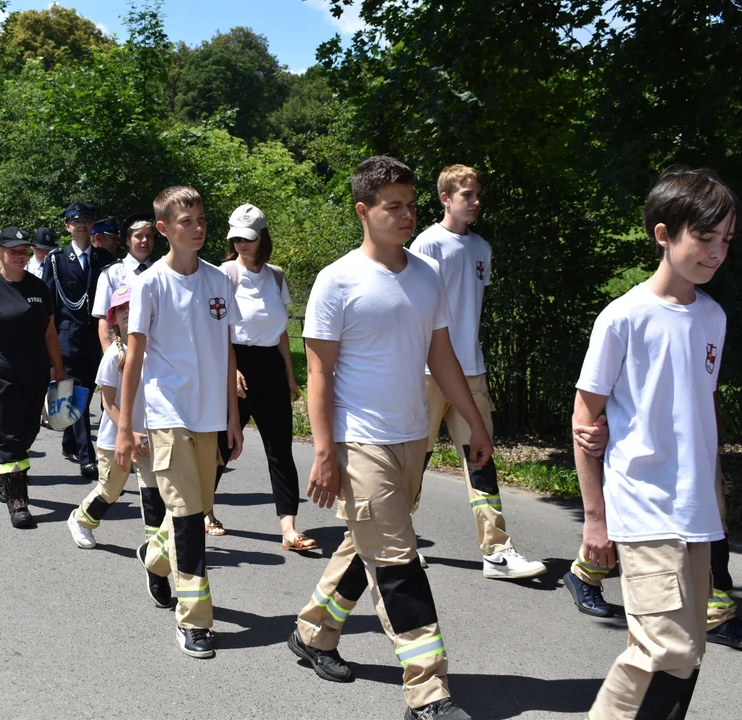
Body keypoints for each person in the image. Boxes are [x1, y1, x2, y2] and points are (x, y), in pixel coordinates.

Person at [288, 157, 486, 720]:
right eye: (392, 206)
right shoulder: (338, 280)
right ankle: (428, 691)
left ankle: (312, 631)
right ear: (363, 211)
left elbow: (441, 355)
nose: (405, 215)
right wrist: (325, 452)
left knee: (365, 543)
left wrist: (471, 422)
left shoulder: (426, 275)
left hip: (412, 439)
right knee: (399, 560)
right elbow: (318, 375)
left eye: (410, 204)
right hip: (359, 442)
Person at [571, 166, 742, 718]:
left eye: (726, 240)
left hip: (696, 513)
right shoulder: (623, 317)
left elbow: (700, 410)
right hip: (644, 507)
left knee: (684, 656)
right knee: (666, 648)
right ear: (664, 234)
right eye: (705, 238)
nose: (716, 252)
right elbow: (584, 420)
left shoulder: (713, 317)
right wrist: (595, 521)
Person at [116, 186, 244, 659]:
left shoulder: (218, 280)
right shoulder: (150, 282)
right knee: (189, 519)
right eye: (187, 220)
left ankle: (153, 557)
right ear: (164, 229)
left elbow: (227, 348)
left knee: (196, 508)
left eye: (202, 218)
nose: (199, 226)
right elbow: (135, 356)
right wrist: (127, 426)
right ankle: (195, 621)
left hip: (210, 414)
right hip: (167, 412)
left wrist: (233, 416)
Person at [410, 164, 545, 579]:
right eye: (467, 194)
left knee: (481, 461)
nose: (476, 201)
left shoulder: (482, 249)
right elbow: (415, 310)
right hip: (429, 374)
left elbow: (473, 313)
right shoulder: (426, 245)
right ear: (445, 198)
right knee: (414, 459)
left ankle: (497, 551)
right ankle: (396, 538)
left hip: (472, 373)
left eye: (477, 194)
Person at [207, 203, 314, 550]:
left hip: (270, 366)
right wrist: (231, 369)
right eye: (235, 238)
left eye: (248, 238)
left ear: (262, 237)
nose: (241, 244)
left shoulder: (277, 275)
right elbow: (216, 328)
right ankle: (205, 510)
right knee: (224, 445)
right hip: (235, 362)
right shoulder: (224, 274)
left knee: (281, 450)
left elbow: (281, 330)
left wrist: (289, 374)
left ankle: (289, 528)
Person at [0, 226, 66, 527]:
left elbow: (49, 332)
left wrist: (59, 369)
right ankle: (18, 499)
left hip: (33, 372)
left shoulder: (38, 288)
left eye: (24, 250)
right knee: (8, 435)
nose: (20, 255)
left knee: (29, 430)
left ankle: (2, 473)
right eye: (13, 250)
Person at [68, 284, 165, 553]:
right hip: (115, 439)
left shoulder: (156, 351)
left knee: (152, 491)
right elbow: (107, 402)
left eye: (132, 307)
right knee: (110, 490)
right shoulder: (113, 355)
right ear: (112, 318)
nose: (127, 312)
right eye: (120, 309)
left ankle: (154, 548)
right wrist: (128, 432)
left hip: (148, 435)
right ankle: (80, 519)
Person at [42, 201, 116, 479]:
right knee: (79, 396)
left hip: (99, 338)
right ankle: (88, 456)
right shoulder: (55, 260)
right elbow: (49, 306)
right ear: (67, 226)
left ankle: (70, 441)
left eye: (86, 219)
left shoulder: (105, 260)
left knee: (83, 395)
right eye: (76, 220)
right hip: (68, 339)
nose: (81, 224)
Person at [92, 212, 156, 352]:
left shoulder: (161, 271)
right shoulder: (112, 273)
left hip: (157, 351)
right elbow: (104, 320)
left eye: (149, 236)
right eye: (138, 236)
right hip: (126, 350)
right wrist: (112, 357)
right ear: (127, 240)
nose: (145, 240)